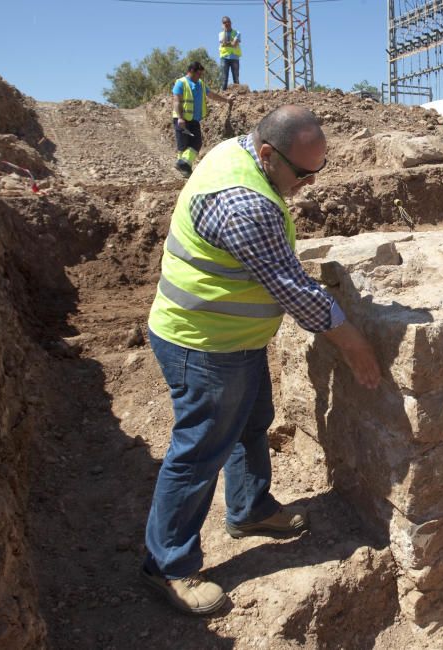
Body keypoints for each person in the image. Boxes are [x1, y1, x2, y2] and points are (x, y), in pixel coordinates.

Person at [141, 105, 382, 615]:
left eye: (317, 172)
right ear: (269, 153)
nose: (309, 185)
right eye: (302, 174)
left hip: (232, 338)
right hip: (201, 343)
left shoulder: (242, 152)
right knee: (198, 452)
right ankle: (169, 566)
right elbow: (293, 290)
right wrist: (355, 343)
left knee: (251, 422)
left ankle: (249, 510)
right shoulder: (242, 203)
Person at [173, 61, 231, 178]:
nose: (200, 76)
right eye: (199, 74)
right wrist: (180, 118)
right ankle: (185, 169)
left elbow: (212, 95)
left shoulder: (201, 84)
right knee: (183, 145)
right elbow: (177, 101)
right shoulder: (181, 83)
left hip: (194, 120)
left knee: (197, 143)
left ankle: (182, 164)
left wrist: (226, 100)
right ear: (191, 72)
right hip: (182, 119)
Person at [218, 16, 242, 91]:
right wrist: (225, 31)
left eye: (228, 22)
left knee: (236, 77)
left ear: (231, 22)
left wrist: (229, 43)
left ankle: (238, 94)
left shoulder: (237, 33)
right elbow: (223, 43)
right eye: (224, 22)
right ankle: (223, 93)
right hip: (224, 57)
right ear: (222, 24)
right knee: (224, 78)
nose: (226, 24)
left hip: (234, 57)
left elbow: (235, 44)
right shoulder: (221, 34)